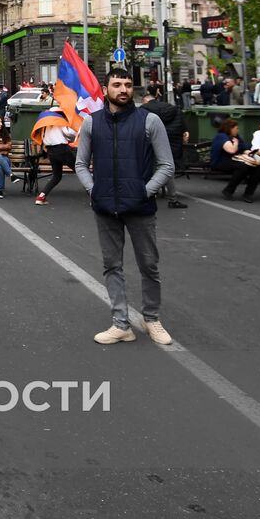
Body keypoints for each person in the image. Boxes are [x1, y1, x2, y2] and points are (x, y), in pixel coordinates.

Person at [74, 68, 176, 346]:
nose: (123, 89)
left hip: (141, 207)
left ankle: (151, 318)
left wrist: (145, 191)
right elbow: (80, 164)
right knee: (112, 265)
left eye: (128, 85)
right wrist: (94, 189)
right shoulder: (92, 123)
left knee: (149, 265)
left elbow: (166, 165)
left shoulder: (149, 121)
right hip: (105, 207)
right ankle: (121, 324)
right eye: (117, 84)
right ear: (105, 89)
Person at [140, 91, 190, 209]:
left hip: (154, 140)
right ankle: (173, 198)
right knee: (167, 166)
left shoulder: (144, 109)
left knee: (151, 165)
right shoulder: (172, 108)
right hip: (172, 140)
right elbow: (182, 123)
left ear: (145, 101)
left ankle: (150, 193)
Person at [33, 120, 77, 206]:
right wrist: (75, 129)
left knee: (57, 176)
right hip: (62, 150)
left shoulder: (45, 126)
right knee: (80, 171)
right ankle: (93, 195)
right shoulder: (60, 121)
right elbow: (69, 133)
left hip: (51, 152)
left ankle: (41, 197)